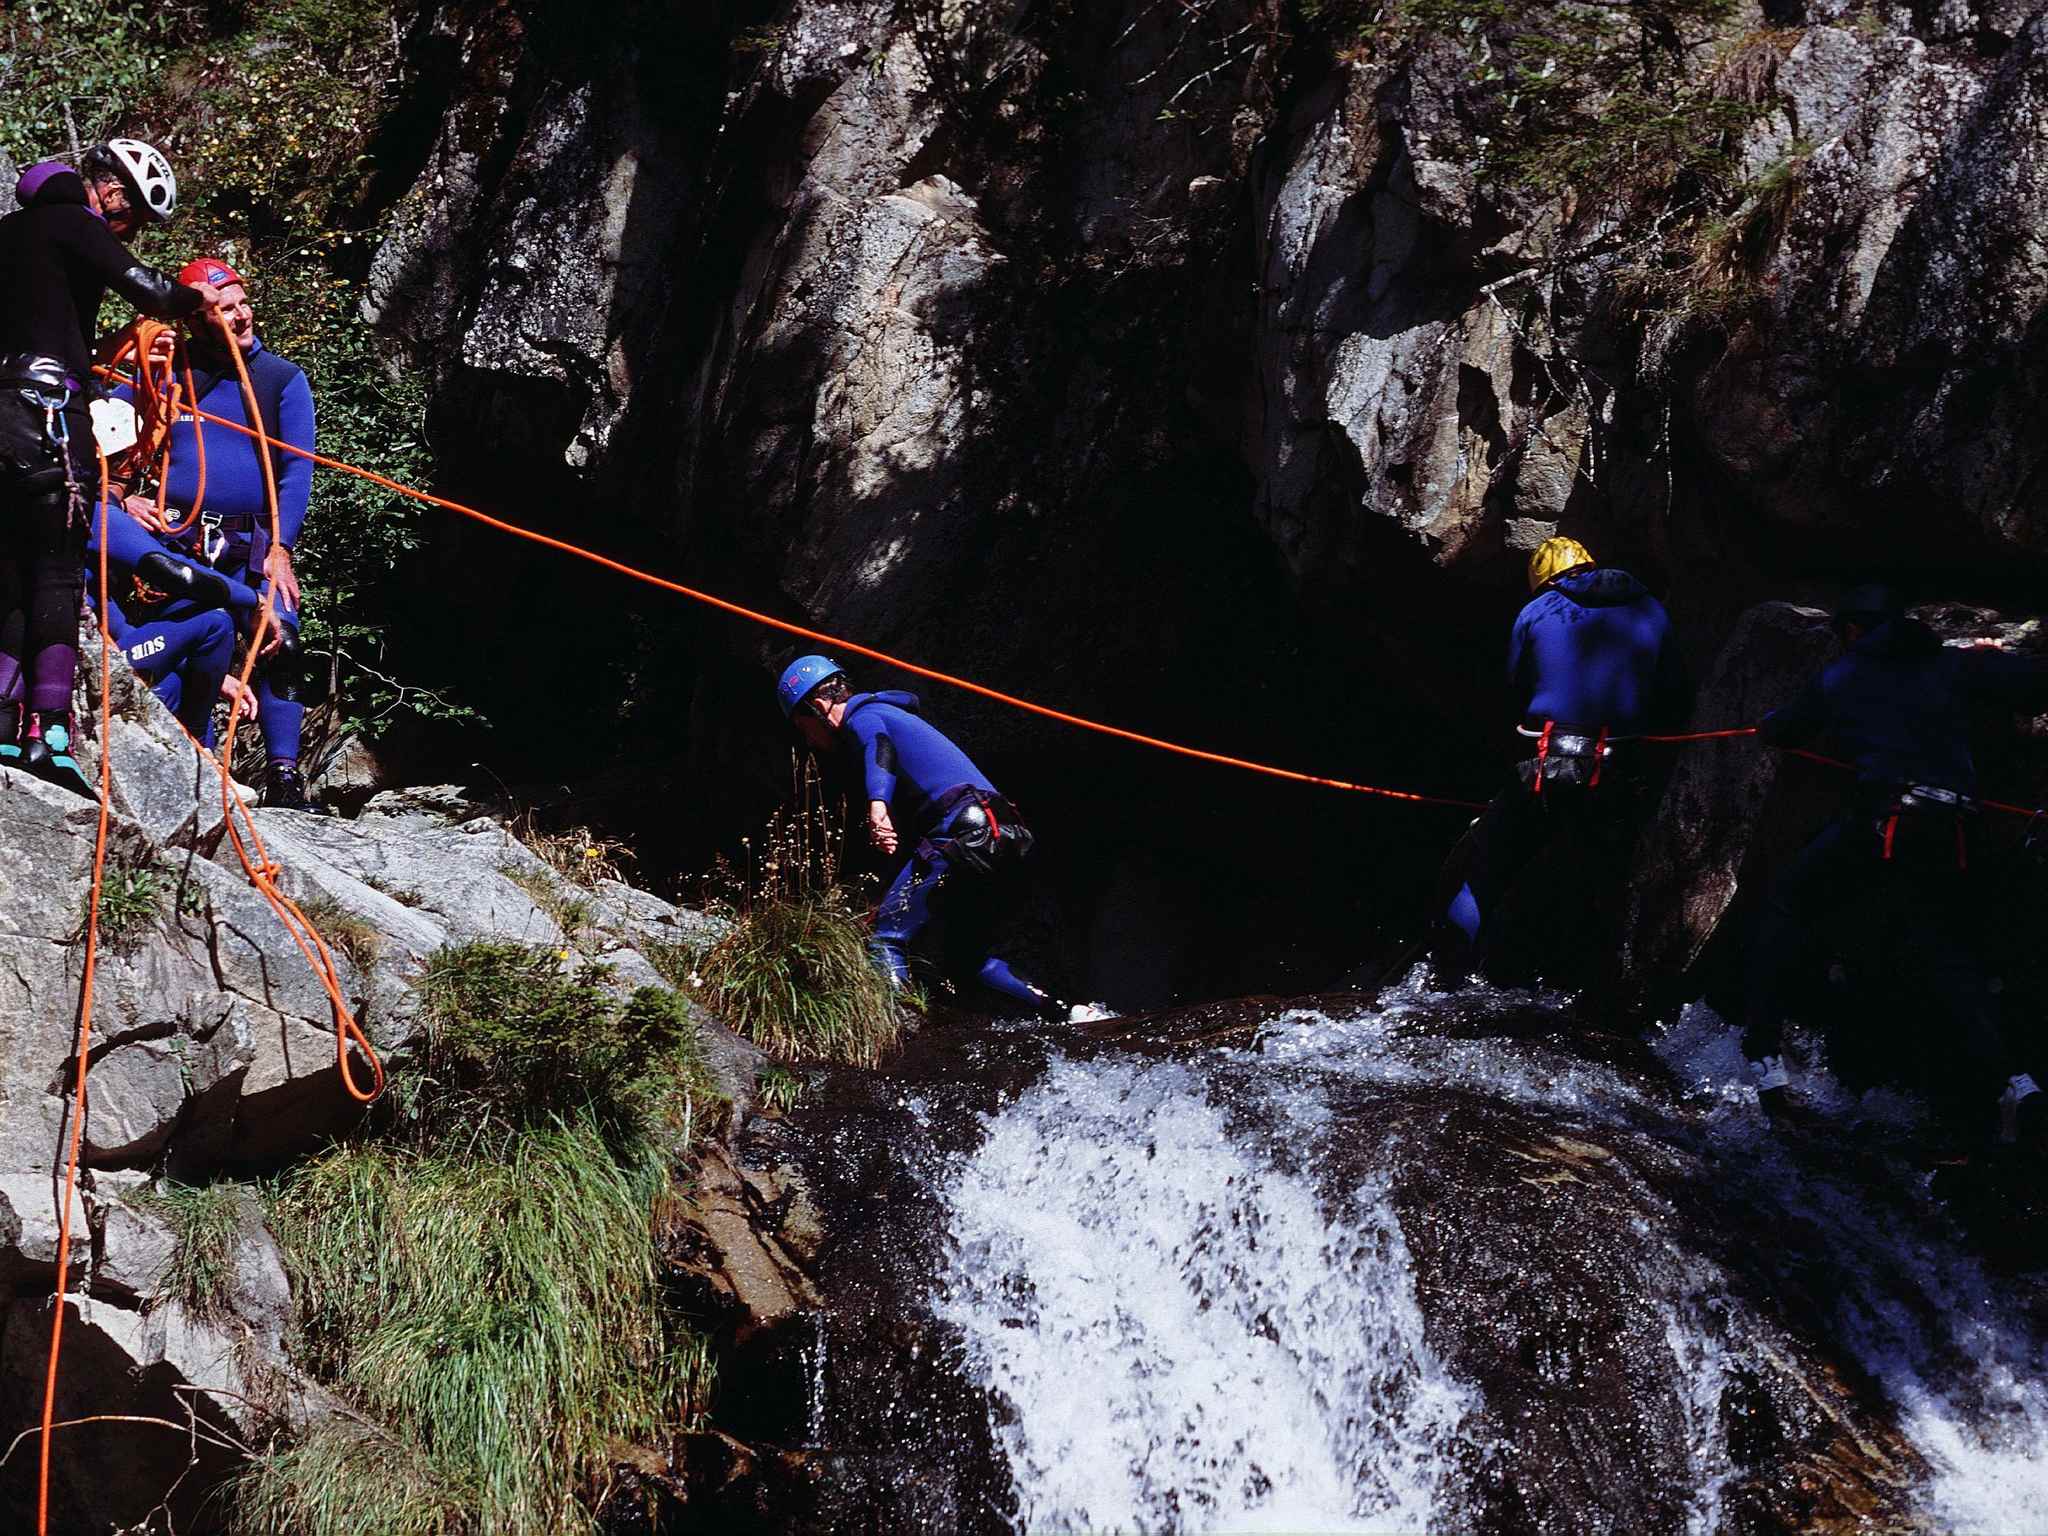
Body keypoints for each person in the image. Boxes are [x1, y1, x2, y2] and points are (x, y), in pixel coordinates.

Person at [1744, 585, 2048, 1141]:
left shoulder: (1848, 672)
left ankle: (1764, 1058)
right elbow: (2033, 686)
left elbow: (1783, 728)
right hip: (1949, 824)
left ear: (1854, 631)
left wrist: (1768, 723)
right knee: (1947, 953)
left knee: (1786, 902)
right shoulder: (1951, 664)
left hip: (1883, 819)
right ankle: (2016, 1083)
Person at [0, 143, 221, 798]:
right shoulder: (77, 224)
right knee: (58, 570)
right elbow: (147, 289)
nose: (128, 231)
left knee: (10, 569)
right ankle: (51, 732)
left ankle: (5, 723)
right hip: (46, 414)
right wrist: (195, 299)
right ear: (112, 191)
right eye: (135, 218)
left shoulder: (8, 233)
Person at [108, 257, 319, 809]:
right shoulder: (165, 374)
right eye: (226, 310)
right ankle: (192, 759)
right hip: (181, 538)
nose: (242, 316)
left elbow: (298, 471)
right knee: (190, 636)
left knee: (282, 638)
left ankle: (285, 775)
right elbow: (106, 442)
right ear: (199, 321)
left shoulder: (279, 380)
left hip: (252, 541)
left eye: (243, 303)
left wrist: (281, 549)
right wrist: (123, 498)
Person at [1439, 536, 1691, 972]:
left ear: (1545, 579)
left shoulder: (1536, 611)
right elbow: (1671, 690)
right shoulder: (1650, 609)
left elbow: (1516, 684)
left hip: (1544, 763)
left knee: (1484, 872)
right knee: (1602, 876)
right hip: (1617, 765)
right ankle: (1594, 984)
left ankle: (1446, 980)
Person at [777, 654, 1072, 1020]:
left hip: (966, 835)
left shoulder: (864, 716)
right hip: (1007, 836)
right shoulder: (898, 715)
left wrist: (877, 803)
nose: (808, 739)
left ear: (817, 705)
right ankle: (1067, 1011)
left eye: (802, 726)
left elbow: (878, 746)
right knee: (966, 960)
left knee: (887, 937)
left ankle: (895, 1033)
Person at [83, 502, 260, 745]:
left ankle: (196, 756)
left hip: (90, 652)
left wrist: (220, 679)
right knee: (215, 623)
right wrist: (258, 601)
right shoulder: (98, 513)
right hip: (78, 659)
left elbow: (116, 625)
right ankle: (198, 746)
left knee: (177, 683)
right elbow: (176, 572)